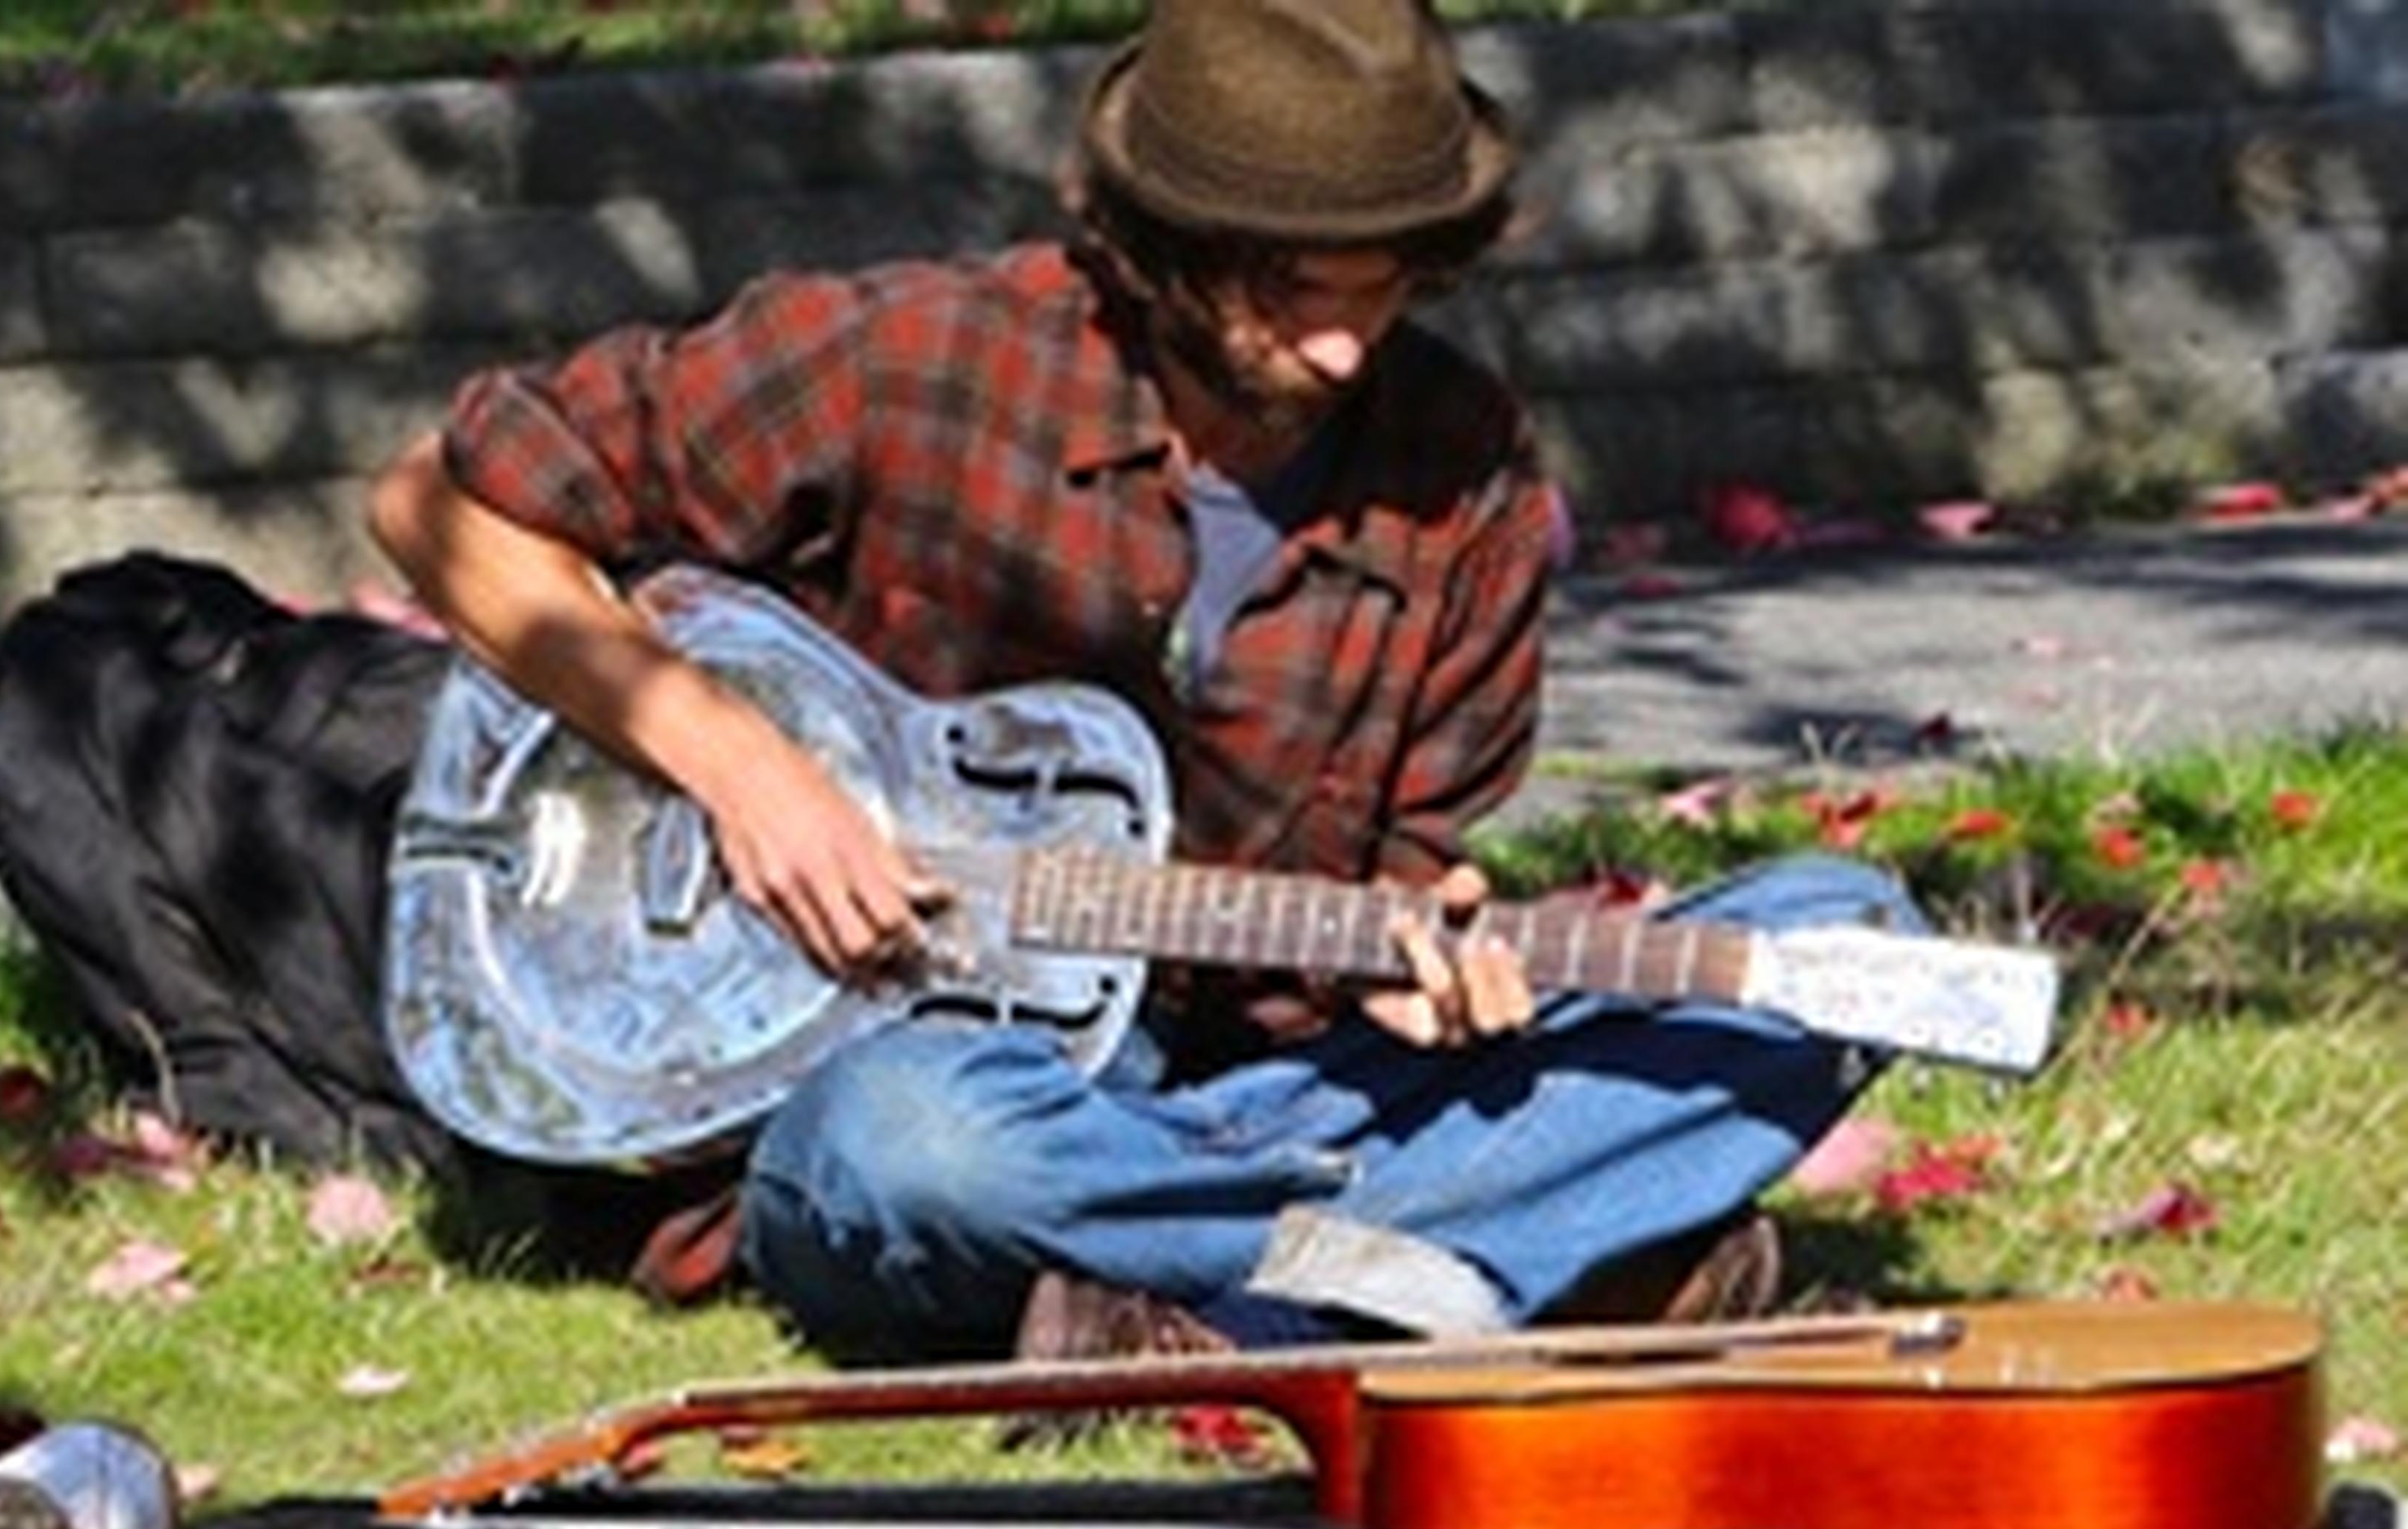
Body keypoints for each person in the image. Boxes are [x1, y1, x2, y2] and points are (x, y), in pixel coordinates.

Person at [364, 0, 1918, 1365]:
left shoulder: (1467, 475)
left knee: (1844, 933)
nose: (1337, 353)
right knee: (918, 1144)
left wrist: (1427, 951)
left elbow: (1405, 879)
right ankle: (1478, 1257)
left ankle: (1219, 1282)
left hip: (1267, 1088)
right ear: (1164, 243)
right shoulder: (907, 358)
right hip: (917, 1084)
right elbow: (442, 504)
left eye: (1382, 292)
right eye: (1293, 293)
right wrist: (738, 764)